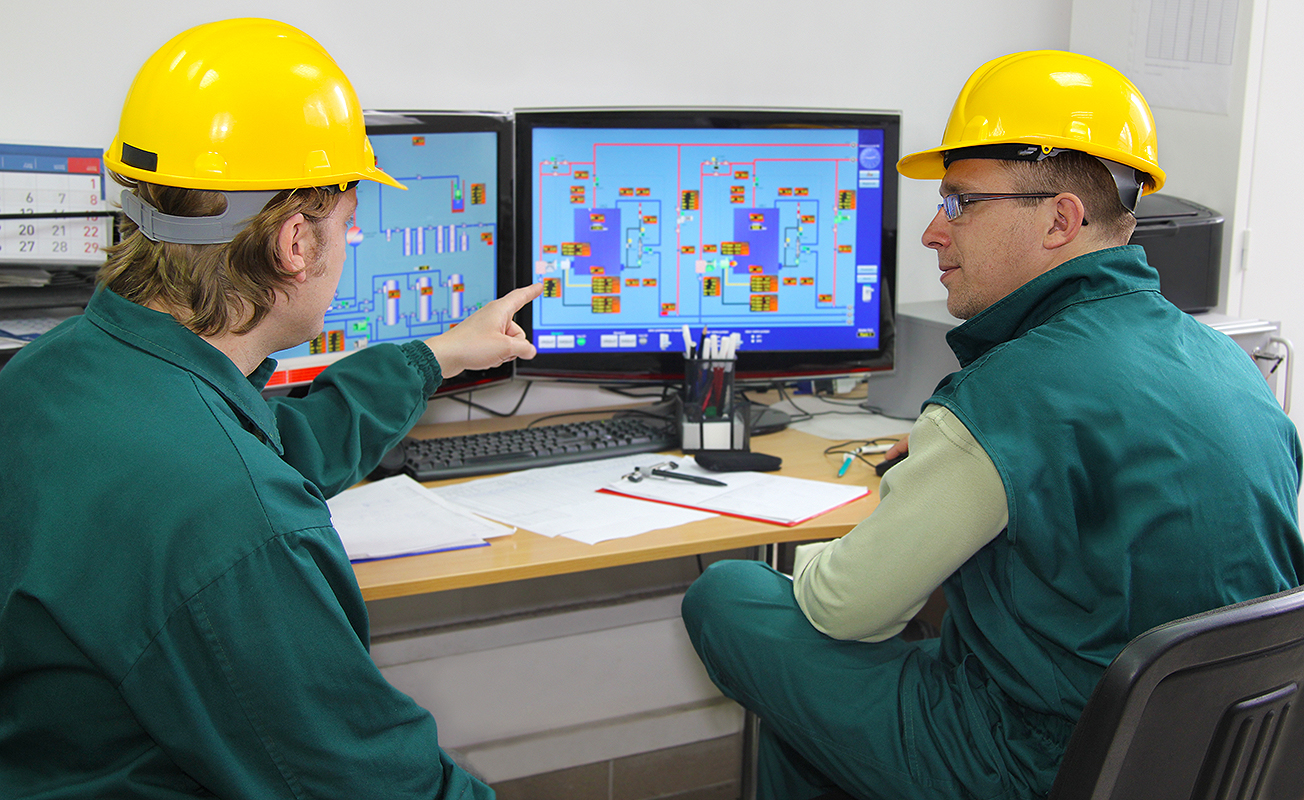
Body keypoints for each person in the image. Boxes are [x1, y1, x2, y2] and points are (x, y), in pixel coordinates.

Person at [681, 50, 1304, 800]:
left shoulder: (1009, 393)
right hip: (1209, 756)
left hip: (1035, 761)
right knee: (825, 707)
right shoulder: (1228, 363)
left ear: (1061, 220)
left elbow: (841, 610)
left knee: (733, 596)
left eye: (959, 204)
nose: (932, 235)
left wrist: (812, 559)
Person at [0, 19, 540, 799]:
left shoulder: (58, 371)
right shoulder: (231, 524)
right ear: (294, 243)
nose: (348, 244)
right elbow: (375, 786)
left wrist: (440, 354)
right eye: (347, 225)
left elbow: (275, 445)